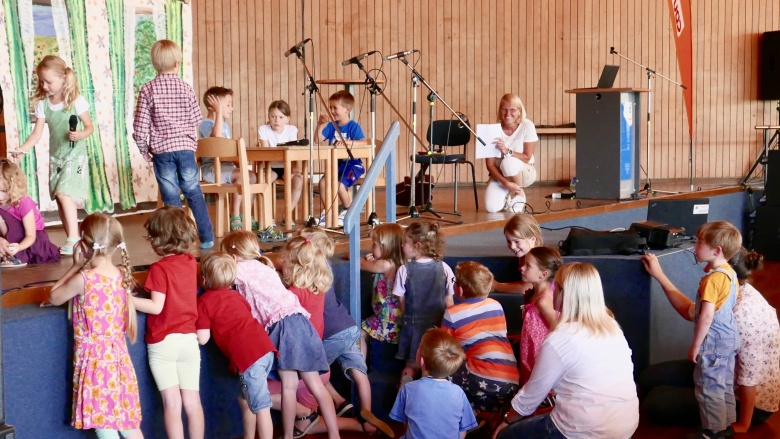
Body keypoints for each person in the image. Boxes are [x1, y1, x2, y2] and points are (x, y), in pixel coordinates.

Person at [638, 247, 779, 434]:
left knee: (656, 402)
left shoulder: (744, 314)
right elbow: (690, 310)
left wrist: (743, 425)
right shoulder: (730, 288)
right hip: (719, 366)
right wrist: (659, 275)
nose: (705, 268)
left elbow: (748, 377)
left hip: (748, 402)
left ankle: (719, 425)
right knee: (648, 377)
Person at [494, 262, 639, 439]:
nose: (552, 290)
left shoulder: (560, 338)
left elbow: (531, 396)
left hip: (584, 430)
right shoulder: (611, 325)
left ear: (564, 294)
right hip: (627, 423)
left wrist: (507, 421)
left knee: (505, 436)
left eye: (556, 286)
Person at [220, 231, 337, 439]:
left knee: (289, 388)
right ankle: (334, 434)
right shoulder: (267, 268)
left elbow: (220, 277)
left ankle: (289, 435)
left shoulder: (237, 269)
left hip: (283, 328)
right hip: (302, 322)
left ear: (233, 256)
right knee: (317, 386)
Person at [641, 221, 742, 439]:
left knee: (708, 387)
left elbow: (705, 316)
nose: (694, 247)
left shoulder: (712, 281)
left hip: (713, 342)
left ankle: (712, 431)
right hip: (729, 339)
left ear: (716, 250)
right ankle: (726, 425)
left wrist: (696, 346)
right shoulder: (729, 274)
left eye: (700, 243)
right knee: (723, 384)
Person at [48, 213, 143, 438]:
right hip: (118, 360)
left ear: (84, 243)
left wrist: (74, 266)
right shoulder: (122, 275)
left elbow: (54, 296)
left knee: (105, 424)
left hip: (95, 364)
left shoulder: (85, 279)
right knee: (126, 421)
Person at [297, 228, 395, 438]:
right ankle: (365, 412)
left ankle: (311, 413)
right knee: (360, 373)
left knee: (316, 371)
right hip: (349, 327)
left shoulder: (309, 272)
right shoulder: (327, 267)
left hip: (331, 333)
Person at [132, 39, 214, 249]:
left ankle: (178, 241)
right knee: (194, 192)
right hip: (185, 149)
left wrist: (145, 150)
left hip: (163, 152)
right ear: (177, 63)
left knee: (171, 198)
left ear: (154, 64)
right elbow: (197, 119)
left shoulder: (148, 89)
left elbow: (140, 127)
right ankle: (206, 238)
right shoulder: (186, 88)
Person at [131, 206, 204, 439]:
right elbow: (174, 291)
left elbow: (156, 306)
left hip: (163, 343)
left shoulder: (158, 268)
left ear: (160, 239)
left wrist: (127, 299)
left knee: (171, 403)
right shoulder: (191, 262)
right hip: (189, 341)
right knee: (193, 402)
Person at [12, 55, 94, 255]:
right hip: (56, 156)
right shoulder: (43, 105)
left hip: (75, 154)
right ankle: (74, 242)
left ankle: (74, 237)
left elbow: (90, 127)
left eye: (48, 81)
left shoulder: (76, 101)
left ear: (63, 78)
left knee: (63, 193)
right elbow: (36, 134)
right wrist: (22, 149)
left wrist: (80, 134)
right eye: (41, 81)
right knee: (59, 198)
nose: (44, 85)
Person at [195, 252, 277, 439]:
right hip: (265, 348)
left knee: (261, 407)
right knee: (245, 399)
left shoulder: (204, 302)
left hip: (249, 358)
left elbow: (203, 338)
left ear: (205, 280)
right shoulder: (237, 296)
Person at [443, 261, 519, 416]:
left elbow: (446, 348)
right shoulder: (496, 305)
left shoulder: (452, 313)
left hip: (484, 380)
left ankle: (467, 416)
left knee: (444, 368)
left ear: (460, 289)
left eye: (454, 281)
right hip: (511, 382)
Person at [393, 220, 456, 384]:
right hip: (438, 327)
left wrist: (406, 320)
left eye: (405, 242)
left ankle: (404, 391)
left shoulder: (404, 270)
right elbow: (449, 301)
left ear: (418, 245)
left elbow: (402, 301)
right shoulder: (445, 268)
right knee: (433, 367)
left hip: (413, 327)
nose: (402, 246)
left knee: (411, 365)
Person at [390, 328, 478, 438]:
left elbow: (406, 425)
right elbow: (463, 430)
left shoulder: (408, 389)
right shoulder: (458, 393)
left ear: (421, 361)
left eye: (419, 347)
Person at [198, 86, 258, 231]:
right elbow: (216, 140)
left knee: (252, 176)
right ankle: (234, 215)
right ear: (214, 107)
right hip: (212, 169)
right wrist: (218, 113)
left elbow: (228, 154)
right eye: (228, 105)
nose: (231, 108)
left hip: (226, 168)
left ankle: (246, 214)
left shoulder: (224, 126)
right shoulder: (206, 125)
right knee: (242, 177)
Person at [315, 90, 366, 226]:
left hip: (353, 165)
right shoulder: (332, 126)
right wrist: (320, 125)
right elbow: (317, 139)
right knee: (323, 183)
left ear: (347, 109)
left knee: (338, 185)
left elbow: (364, 142)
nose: (331, 110)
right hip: (336, 166)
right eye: (330, 107)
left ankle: (349, 211)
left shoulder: (353, 126)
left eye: (335, 108)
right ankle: (329, 212)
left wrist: (348, 142)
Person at [484, 94, 539, 213]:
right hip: (501, 175)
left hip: (524, 172)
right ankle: (507, 196)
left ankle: (519, 195)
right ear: (500, 111)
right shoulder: (492, 130)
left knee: (508, 162)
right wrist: (506, 183)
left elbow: (527, 157)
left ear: (519, 111)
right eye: (504, 109)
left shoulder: (527, 126)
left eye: (512, 110)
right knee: (491, 208)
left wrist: (507, 150)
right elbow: (490, 165)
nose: (507, 113)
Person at [0, 158, 59, 267]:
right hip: (11, 235)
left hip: (32, 237)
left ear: (13, 187)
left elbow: (31, 235)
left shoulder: (23, 202)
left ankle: (17, 256)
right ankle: (8, 253)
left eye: (3, 191)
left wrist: (19, 247)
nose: (0, 196)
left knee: (15, 227)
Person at [359, 223, 406, 358]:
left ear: (385, 246)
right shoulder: (399, 262)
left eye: (374, 244)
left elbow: (360, 263)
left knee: (359, 334)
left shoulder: (384, 264)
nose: (371, 247)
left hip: (386, 319)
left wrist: (350, 256)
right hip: (398, 317)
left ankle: (360, 368)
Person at [517, 246, 562, 386]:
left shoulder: (543, 301)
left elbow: (559, 330)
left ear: (543, 274)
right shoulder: (531, 294)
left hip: (540, 356)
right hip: (529, 350)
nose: (522, 268)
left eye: (528, 266)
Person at [258, 100, 304, 226]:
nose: (276, 120)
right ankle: (267, 216)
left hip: (287, 167)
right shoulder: (263, 129)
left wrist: (296, 171)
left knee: (298, 181)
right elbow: (266, 153)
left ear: (287, 119)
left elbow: (294, 151)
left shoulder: (291, 130)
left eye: (281, 117)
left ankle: (287, 214)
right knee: (265, 180)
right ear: (269, 117)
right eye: (273, 117)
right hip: (270, 167)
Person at [492, 213, 543, 294]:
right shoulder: (524, 254)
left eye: (517, 241)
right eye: (509, 241)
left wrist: (497, 286)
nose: (512, 246)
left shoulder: (536, 259)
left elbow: (526, 288)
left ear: (532, 239)